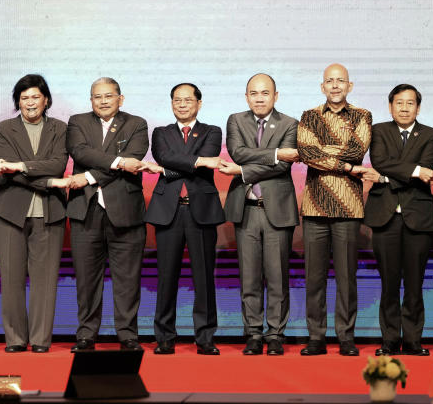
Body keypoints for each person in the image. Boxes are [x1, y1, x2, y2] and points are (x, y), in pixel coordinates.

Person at [295, 63, 376, 356]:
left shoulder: (362, 116)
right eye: (329, 81)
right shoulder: (309, 116)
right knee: (314, 277)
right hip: (315, 206)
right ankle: (316, 337)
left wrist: (324, 151)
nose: (335, 85)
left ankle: (346, 337)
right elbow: (306, 152)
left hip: (348, 207)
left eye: (340, 81)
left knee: (346, 277)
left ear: (349, 86)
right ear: (322, 86)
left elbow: (357, 150)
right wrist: (345, 166)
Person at [65, 77, 150, 351]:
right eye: (97, 97)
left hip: (125, 211)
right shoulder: (78, 122)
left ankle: (127, 335)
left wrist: (89, 176)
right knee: (87, 279)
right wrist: (118, 161)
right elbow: (80, 151)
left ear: (120, 99)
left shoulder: (136, 124)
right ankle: (86, 334)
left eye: (108, 96)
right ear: (91, 100)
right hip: (85, 211)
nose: (102, 101)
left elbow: (134, 158)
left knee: (127, 278)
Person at [0, 75, 69, 353]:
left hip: (49, 211)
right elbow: (8, 169)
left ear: (45, 100)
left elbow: (58, 165)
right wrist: (44, 178)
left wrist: (23, 166)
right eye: (24, 98)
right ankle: (15, 338)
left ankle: (41, 339)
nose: (30, 103)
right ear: (17, 102)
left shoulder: (60, 128)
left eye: (35, 97)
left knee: (45, 280)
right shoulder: (5, 128)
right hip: (10, 210)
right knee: (11, 277)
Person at [219, 73, 298, 356]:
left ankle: (275, 333)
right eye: (254, 93)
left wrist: (242, 171)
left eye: (265, 93)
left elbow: (284, 167)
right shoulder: (235, 120)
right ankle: (253, 332)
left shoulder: (290, 123)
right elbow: (238, 152)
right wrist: (276, 153)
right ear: (246, 97)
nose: (260, 98)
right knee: (249, 277)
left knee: (277, 277)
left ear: (276, 96)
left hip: (277, 210)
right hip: (247, 210)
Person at [144, 83, 225, 355]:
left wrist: (167, 170)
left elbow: (203, 158)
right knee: (166, 276)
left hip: (200, 210)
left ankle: (205, 338)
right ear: (171, 104)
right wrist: (197, 162)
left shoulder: (212, 131)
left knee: (204, 277)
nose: (182, 104)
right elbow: (163, 156)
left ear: (198, 103)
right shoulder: (161, 133)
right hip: (169, 211)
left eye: (187, 100)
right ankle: (165, 337)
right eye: (176, 100)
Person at [365, 84, 433, 356]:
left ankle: (412, 340)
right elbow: (380, 161)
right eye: (399, 103)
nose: (405, 108)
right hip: (384, 217)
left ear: (418, 108)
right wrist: (414, 170)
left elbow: (427, 169)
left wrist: (385, 177)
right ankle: (388, 341)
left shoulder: (431, 134)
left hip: (417, 218)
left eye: (410, 103)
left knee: (414, 284)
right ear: (390, 106)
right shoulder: (379, 131)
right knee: (389, 283)